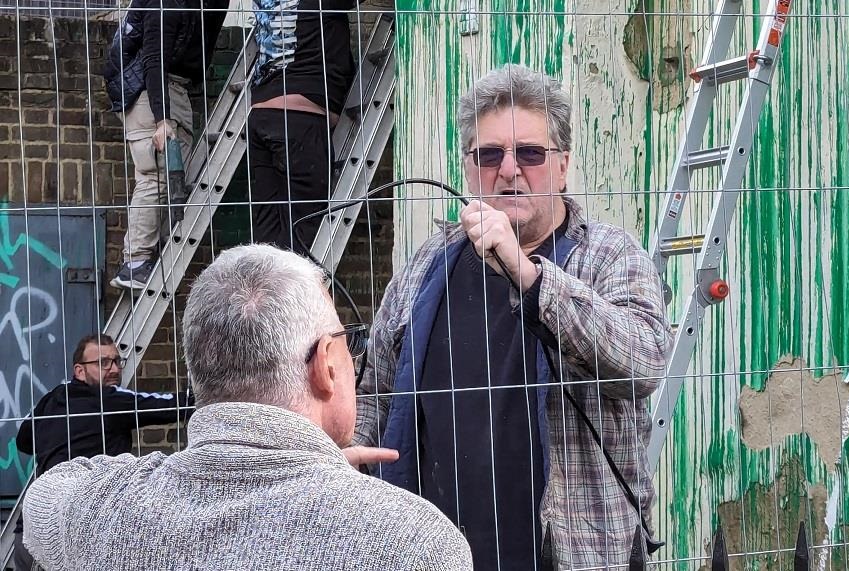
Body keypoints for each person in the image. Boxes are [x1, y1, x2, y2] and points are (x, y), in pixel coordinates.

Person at [354, 64, 673, 570]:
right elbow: (375, 389)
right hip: (438, 554)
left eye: (530, 153)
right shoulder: (426, 268)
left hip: (570, 555)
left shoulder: (609, 256)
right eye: (490, 155)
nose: (509, 170)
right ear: (468, 168)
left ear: (563, 166)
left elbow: (644, 364)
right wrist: (342, 458)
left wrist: (529, 275)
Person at [23, 245, 473, 570]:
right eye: (346, 341)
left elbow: (44, 497)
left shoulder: (108, 517)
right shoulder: (415, 544)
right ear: (325, 367)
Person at [14, 333, 191, 571]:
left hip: (31, 531)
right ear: (79, 371)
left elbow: (24, 440)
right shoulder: (110, 399)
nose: (114, 369)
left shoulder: (52, 398)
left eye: (117, 361)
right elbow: (175, 404)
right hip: (79, 531)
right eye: (103, 363)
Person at [106, 0, 228, 289]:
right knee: (156, 175)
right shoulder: (168, 4)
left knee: (168, 177)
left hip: (170, 90)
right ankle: (136, 261)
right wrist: (162, 119)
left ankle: (144, 255)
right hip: (153, 92)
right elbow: (154, 59)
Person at [247, 0, 360, 252]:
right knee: (303, 231)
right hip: (300, 119)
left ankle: (265, 278)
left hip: (261, 113)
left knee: (266, 235)